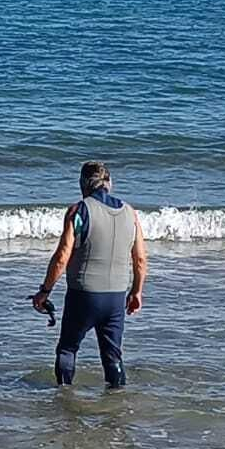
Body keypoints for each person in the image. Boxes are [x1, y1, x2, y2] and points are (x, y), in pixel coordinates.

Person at [30, 161, 147, 387]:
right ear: (110, 184)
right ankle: (117, 407)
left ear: (83, 184)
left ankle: (64, 398)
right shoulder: (130, 213)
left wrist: (44, 291)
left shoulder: (79, 210)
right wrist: (137, 291)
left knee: (67, 349)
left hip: (83, 296)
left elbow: (62, 256)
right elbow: (140, 259)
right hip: (115, 298)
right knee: (112, 356)